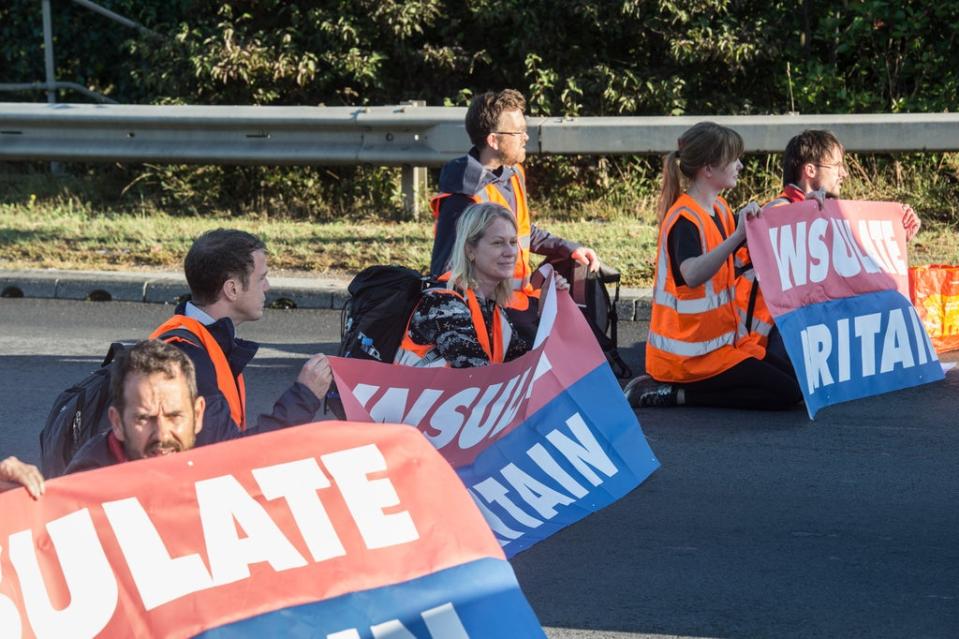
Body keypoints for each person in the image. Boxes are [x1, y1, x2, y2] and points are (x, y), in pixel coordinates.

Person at [626, 122, 802, 410]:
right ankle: (676, 394)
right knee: (786, 393)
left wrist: (813, 205)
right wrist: (736, 237)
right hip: (688, 358)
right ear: (708, 169)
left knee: (794, 381)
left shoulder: (718, 209)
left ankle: (681, 392)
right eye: (733, 159)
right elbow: (692, 274)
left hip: (720, 346)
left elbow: (752, 235)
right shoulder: (684, 218)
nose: (740, 165)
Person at [149, 229, 331, 445]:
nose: (267, 286)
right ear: (232, 289)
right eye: (261, 278)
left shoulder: (198, 338)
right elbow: (229, 452)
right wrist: (305, 395)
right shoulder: (190, 358)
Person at [430, 89, 600, 315]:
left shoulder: (513, 174)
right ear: (493, 140)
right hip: (493, 314)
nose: (525, 137)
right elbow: (446, 271)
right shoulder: (464, 197)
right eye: (518, 131)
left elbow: (522, 232)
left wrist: (569, 248)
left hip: (521, 303)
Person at [397, 203, 533, 368]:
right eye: (498, 243)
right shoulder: (445, 305)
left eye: (512, 242)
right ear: (470, 250)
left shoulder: (493, 309)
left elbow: (527, 368)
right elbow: (475, 375)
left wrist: (552, 308)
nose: (510, 251)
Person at [66, 340, 205, 473]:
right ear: (117, 423)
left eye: (174, 416)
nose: (162, 435)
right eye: (144, 418)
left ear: (197, 415)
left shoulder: (218, 466)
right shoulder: (88, 484)